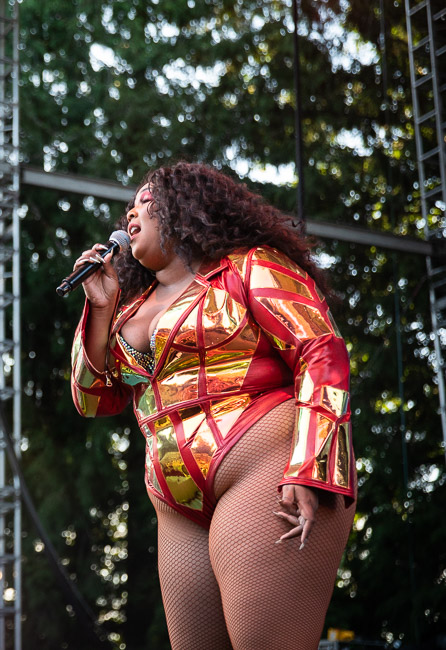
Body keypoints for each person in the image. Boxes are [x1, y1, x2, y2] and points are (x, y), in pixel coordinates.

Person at [68, 162, 356, 650]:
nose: (131, 213)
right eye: (129, 207)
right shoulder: (130, 306)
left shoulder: (248, 265)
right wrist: (100, 309)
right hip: (175, 503)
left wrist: (312, 466)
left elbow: (320, 349)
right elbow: (93, 400)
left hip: (263, 465)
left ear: (183, 206)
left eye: (144, 200)